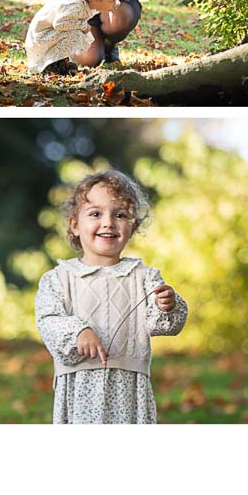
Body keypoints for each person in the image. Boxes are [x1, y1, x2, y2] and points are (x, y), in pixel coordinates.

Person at [34, 170, 188, 423]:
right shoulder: (58, 278)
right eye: (95, 214)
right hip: (80, 387)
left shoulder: (144, 277)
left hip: (129, 387)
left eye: (120, 215)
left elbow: (163, 325)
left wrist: (167, 306)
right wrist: (77, 332)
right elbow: (48, 319)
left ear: (133, 225)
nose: (108, 222)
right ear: (74, 224)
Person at [24, 0, 126, 75]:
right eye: (113, 0)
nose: (116, 4)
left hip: (45, 38)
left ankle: (61, 62)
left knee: (76, 34)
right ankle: (51, 65)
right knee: (76, 35)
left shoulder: (84, 3)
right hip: (40, 40)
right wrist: (83, 26)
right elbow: (60, 23)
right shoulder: (76, 5)